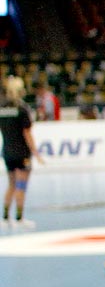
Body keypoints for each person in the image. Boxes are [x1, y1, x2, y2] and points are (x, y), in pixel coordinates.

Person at [2, 75, 42, 229]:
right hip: (22, 153)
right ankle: (19, 218)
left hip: (7, 152)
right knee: (21, 185)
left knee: (11, 184)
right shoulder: (22, 108)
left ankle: (5, 218)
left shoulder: (2, 108)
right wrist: (35, 152)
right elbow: (27, 133)